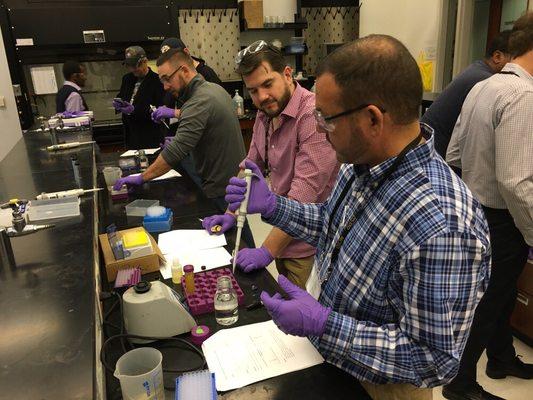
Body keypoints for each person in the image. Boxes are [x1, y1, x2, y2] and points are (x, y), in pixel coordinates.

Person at [223, 35, 491, 400]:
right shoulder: (361, 165)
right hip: (331, 359)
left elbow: (433, 358)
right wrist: (273, 206)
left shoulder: (442, 224)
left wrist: (325, 324)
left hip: (380, 388)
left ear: (372, 119)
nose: (317, 129)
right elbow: (332, 226)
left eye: (326, 119)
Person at [443, 12, 533, 400]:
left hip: (477, 210)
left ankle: (500, 357)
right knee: (492, 299)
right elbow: (517, 183)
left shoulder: (485, 84)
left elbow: (454, 151)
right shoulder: (524, 97)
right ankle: (460, 384)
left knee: (498, 293)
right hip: (503, 219)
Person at [202, 41, 338, 288]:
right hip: (280, 236)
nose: (261, 97)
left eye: (267, 84)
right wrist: (231, 213)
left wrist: (265, 251)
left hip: (307, 246)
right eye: (253, 91)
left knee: (298, 317)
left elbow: (302, 199)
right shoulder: (266, 114)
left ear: (287, 74)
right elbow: (249, 165)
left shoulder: (311, 117)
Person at [113, 48, 254, 246]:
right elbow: (211, 133)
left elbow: (174, 154)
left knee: (235, 240)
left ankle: (251, 273)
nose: (164, 86)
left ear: (185, 71)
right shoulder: (215, 89)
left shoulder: (198, 102)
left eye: (167, 79)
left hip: (221, 185)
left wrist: (141, 177)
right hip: (231, 179)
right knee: (240, 228)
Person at [421, 30, 511, 159]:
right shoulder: (485, 80)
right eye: (515, 59)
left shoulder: (478, 69)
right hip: (434, 152)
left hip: (431, 145)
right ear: (497, 57)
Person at [152, 37, 223, 189]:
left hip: (202, 157)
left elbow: (205, 111)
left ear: (185, 53)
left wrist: (173, 112)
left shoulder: (206, 76)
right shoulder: (174, 79)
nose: (166, 85)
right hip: (184, 146)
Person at [113, 46, 165, 149]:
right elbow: (122, 95)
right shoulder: (127, 79)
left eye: (135, 66)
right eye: (130, 66)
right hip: (130, 133)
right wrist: (118, 103)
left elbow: (159, 108)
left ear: (145, 61)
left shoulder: (157, 81)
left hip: (149, 133)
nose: (133, 69)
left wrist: (134, 110)